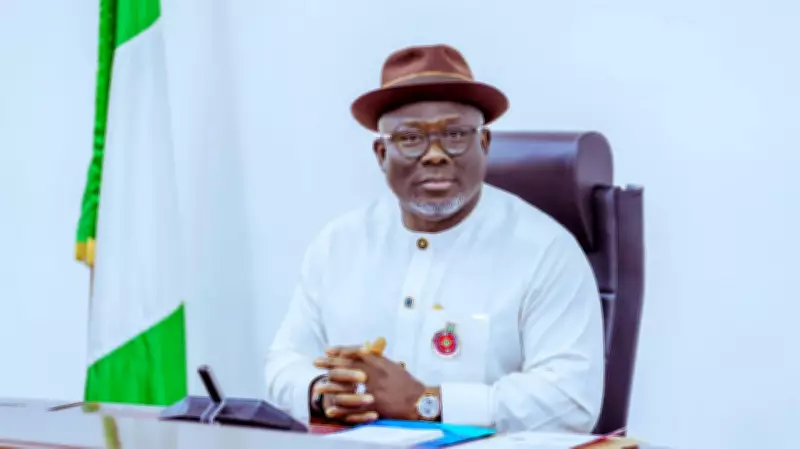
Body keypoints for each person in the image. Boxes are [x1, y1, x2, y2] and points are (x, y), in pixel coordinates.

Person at [264, 44, 605, 433]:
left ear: (484, 145)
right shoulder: (338, 244)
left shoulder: (546, 250)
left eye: (456, 134)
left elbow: (570, 402)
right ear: (381, 154)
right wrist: (324, 393)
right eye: (410, 138)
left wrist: (426, 402)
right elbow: (284, 363)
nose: (435, 154)